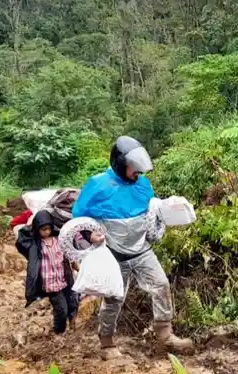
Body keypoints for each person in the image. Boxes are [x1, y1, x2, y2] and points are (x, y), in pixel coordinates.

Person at [72, 136, 194, 358]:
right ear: (120, 164)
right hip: (114, 254)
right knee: (114, 298)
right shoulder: (98, 186)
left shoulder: (143, 185)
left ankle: (165, 335)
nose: (138, 174)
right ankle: (107, 342)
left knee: (161, 285)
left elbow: (151, 210)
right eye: (133, 169)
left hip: (142, 249)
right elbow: (78, 219)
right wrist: (91, 236)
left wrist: (169, 208)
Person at [16, 210, 76, 334]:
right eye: (42, 229)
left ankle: (70, 328)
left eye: (48, 228)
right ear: (37, 229)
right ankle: (59, 331)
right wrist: (30, 226)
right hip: (50, 284)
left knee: (72, 303)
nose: (46, 232)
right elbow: (21, 241)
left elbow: (68, 254)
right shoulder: (35, 245)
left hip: (63, 278)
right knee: (61, 309)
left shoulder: (58, 240)